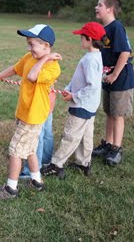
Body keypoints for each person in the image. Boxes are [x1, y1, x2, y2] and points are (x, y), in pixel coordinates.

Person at [0, 24, 61, 200]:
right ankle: (37, 181)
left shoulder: (52, 67)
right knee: (30, 149)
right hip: (25, 112)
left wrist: (45, 59)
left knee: (15, 151)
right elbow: (15, 69)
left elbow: (33, 76)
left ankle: (10, 189)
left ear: (46, 46)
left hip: (33, 116)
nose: (29, 48)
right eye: (28, 43)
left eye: (32, 44)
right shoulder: (29, 57)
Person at [41, 22, 105, 178]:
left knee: (71, 135)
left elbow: (92, 86)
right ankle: (83, 162)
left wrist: (74, 96)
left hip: (82, 105)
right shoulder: (96, 55)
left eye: (82, 37)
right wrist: (69, 88)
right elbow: (81, 80)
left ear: (89, 39)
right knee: (86, 135)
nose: (80, 40)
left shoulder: (89, 60)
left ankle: (56, 165)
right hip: (90, 105)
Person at [92, 0, 134, 166]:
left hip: (119, 79)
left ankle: (116, 149)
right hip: (108, 78)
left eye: (99, 5)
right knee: (110, 112)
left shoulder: (116, 27)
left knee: (118, 114)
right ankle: (108, 145)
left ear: (109, 9)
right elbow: (115, 52)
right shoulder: (104, 29)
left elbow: (125, 52)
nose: (96, 7)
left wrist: (115, 74)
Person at [19, 90, 56, 179]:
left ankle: (31, 170)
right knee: (47, 133)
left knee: (37, 136)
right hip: (48, 100)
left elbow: (33, 77)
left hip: (39, 102)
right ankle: (45, 160)